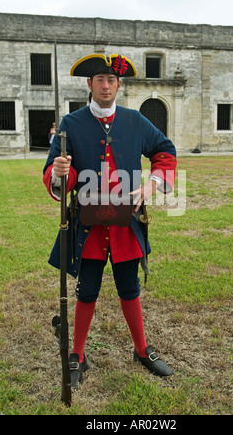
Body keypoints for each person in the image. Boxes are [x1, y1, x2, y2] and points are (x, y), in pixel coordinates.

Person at [43, 53, 177, 389]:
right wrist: (61, 174)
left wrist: (152, 184)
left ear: (118, 85)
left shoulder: (135, 121)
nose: (106, 85)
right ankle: (77, 354)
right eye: (100, 80)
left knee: (129, 288)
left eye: (112, 80)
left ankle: (142, 350)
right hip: (87, 228)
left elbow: (165, 151)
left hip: (124, 225)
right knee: (86, 290)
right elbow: (58, 172)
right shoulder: (70, 124)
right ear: (89, 85)